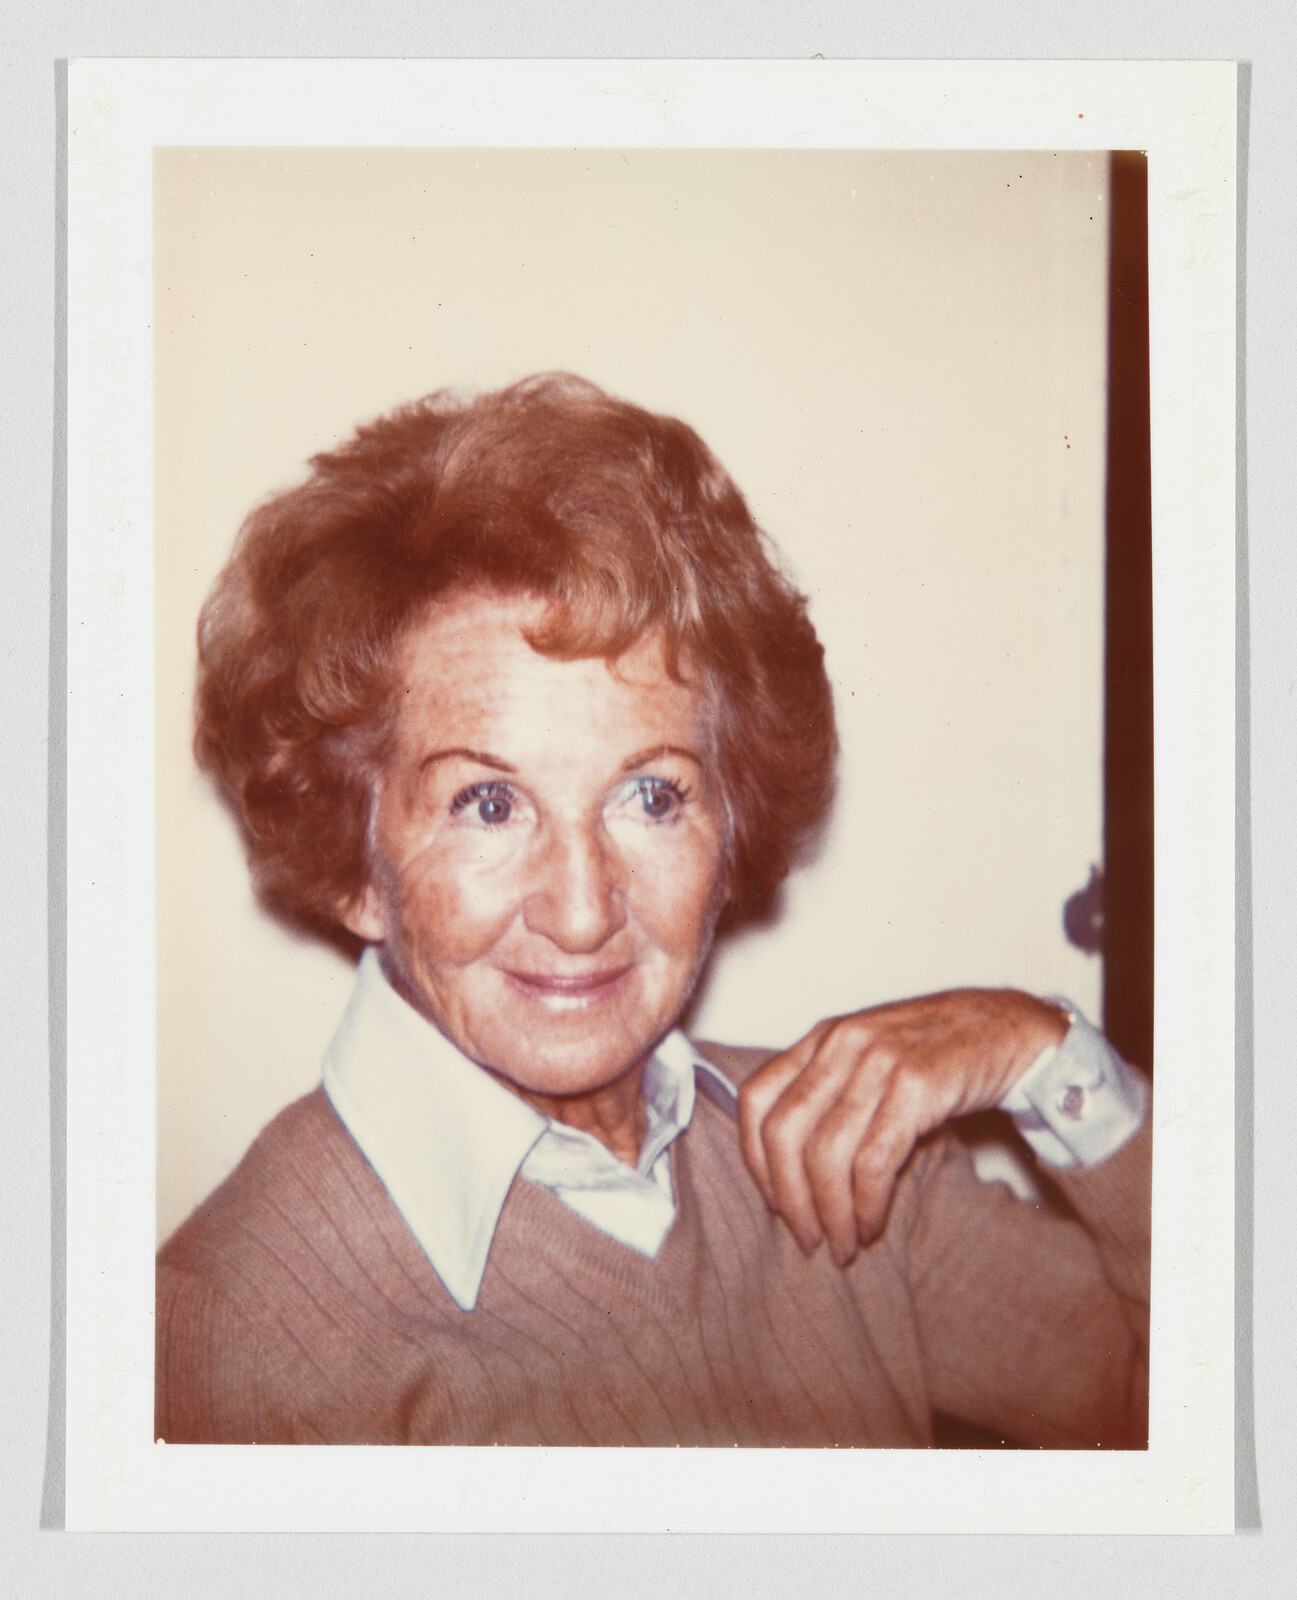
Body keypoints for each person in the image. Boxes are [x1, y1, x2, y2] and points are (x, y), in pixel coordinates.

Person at [156, 374, 1150, 1448]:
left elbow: (1203, 1421)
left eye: (651, 794)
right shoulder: (240, 1327)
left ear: (731, 824)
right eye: (488, 803)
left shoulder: (834, 1166)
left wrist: (1041, 1051)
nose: (583, 910)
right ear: (355, 866)